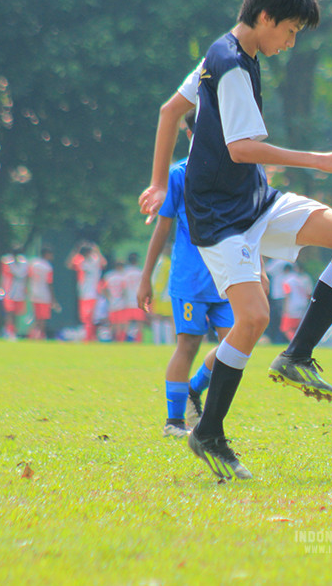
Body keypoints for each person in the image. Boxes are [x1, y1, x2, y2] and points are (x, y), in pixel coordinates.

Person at [138, 0, 332, 481]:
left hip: (254, 202)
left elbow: (169, 111)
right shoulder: (229, 65)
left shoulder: (228, 53)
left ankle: (298, 355)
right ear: (266, 17)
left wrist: (157, 182)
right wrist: (320, 160)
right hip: (218, 218)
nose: (290, 42)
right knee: (252, 319)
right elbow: (242, 149)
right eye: (290, 31)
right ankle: (208, 433)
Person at [139, 112, 235, 439]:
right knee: (189, 344)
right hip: (191, 280)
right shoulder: (179, 175)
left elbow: (248, 226)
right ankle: (175, 422)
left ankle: (194, 388)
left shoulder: (235, 172)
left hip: (228, 279)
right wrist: (146, 278)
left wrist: (259, 269)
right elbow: (162, 228)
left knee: (237, 345)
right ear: (191, 133)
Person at [67, 242, 106, 342]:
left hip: (92, 294)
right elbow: (70, 264)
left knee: (90, 317)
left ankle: (89, 337)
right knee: (85, 318)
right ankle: (90, 337)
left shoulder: (94, 260)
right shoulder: (82, 262)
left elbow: (103, 263)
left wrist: (97, 250)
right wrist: (76, 251)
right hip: (83, 293)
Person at [28, 246, 58, 340]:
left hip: (34, 293)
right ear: (46, 254)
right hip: (44, 295)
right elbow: (49, 283)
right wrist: (53, 299)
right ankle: (40, 335)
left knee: (36, 317)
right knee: (43, 317)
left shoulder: (33, 263)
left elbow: (28, 276)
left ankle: (32, 335)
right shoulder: (47, 267)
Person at [0, 247, 29, 340]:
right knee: (9, 313)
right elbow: (5, 275)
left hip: (19, 292)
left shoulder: (23, 263)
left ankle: (14, 331)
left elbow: (24, 276)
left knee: (16, 313)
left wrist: (25, 289)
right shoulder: (7, 262)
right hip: (9, 291)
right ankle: (8, 331)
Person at [279, 262, 312, 341]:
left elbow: (287, 294)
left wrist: (285, 308)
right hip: (303, 304)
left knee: (286, 328)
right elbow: (309, 293)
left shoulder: (288, 280)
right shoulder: (303, 279)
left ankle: (294, 341)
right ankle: (300, 341)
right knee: (298, 326)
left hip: (292, 305)